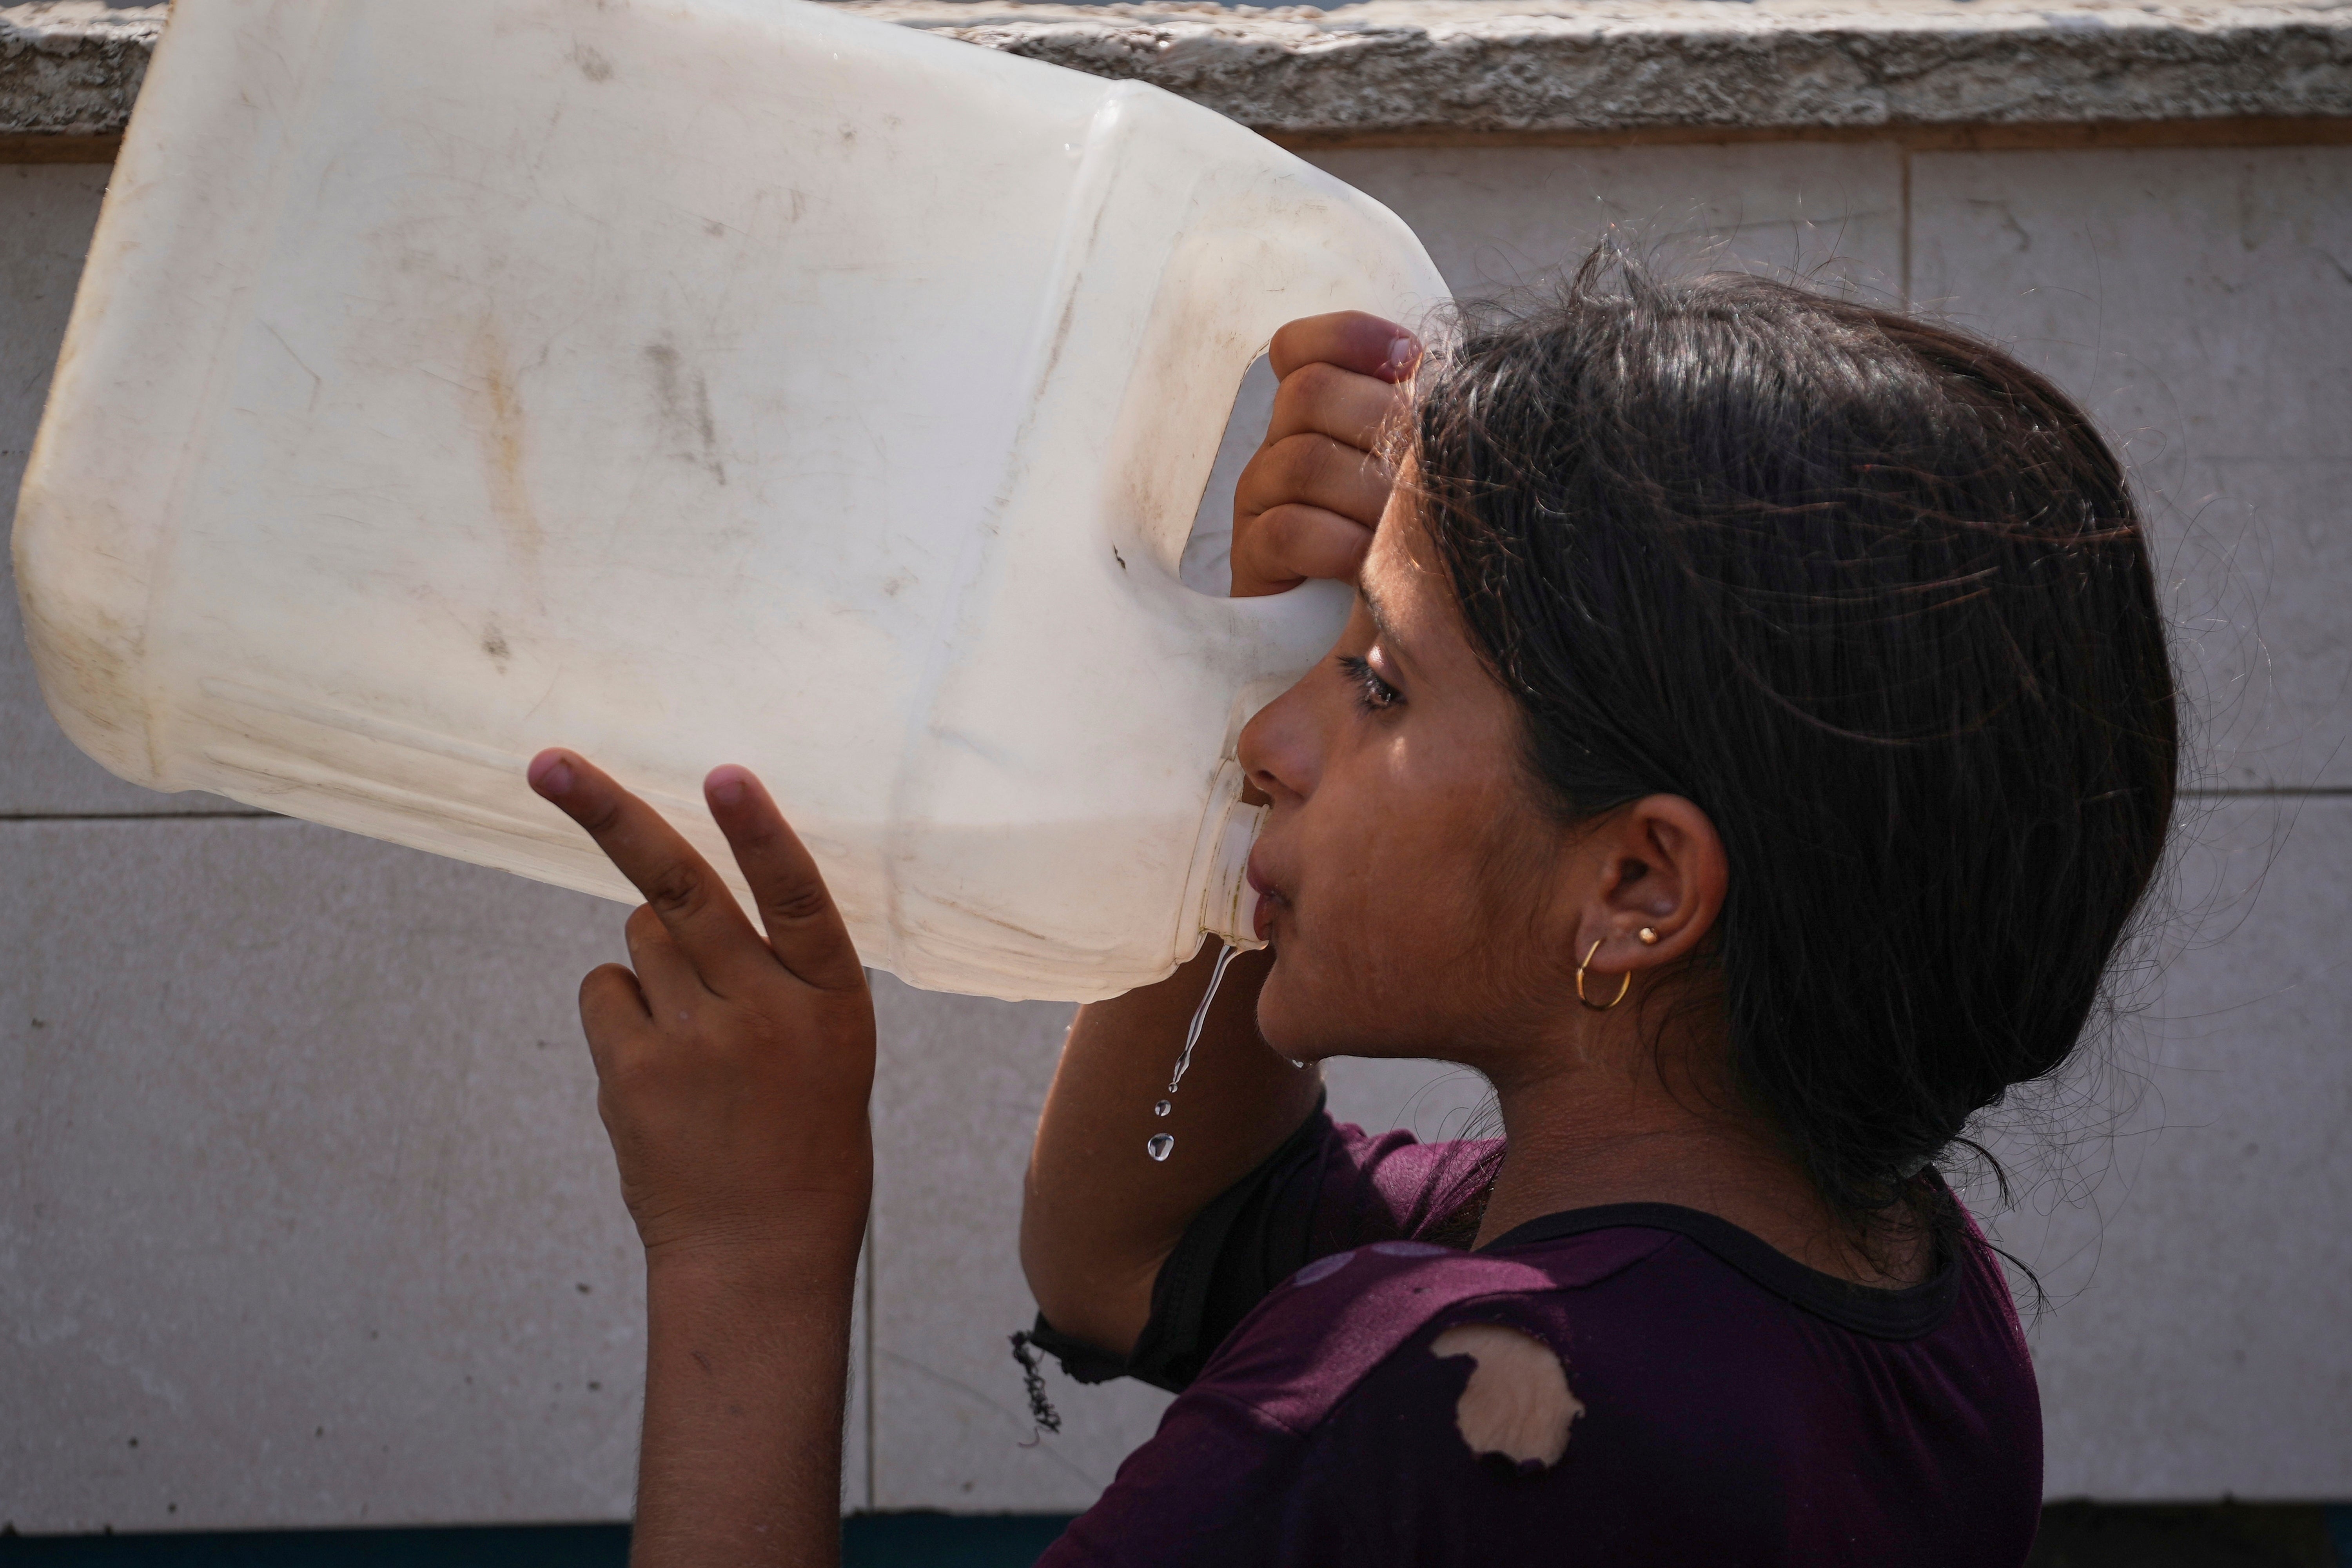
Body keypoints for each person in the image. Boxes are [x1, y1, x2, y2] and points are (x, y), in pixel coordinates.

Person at [525, 249, 2180, 1566]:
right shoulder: (1908, 1301)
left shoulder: (1435, 1415)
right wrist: (1286, 635)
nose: (1262, 739)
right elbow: (1138, 1248)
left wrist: (752, 1249)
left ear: (1634, 887)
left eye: (1374, 683)